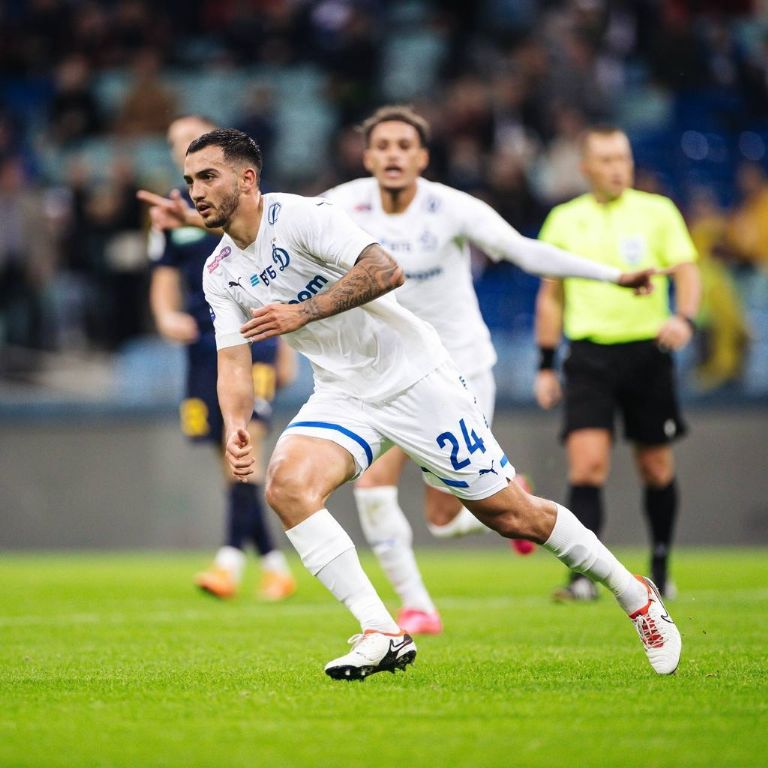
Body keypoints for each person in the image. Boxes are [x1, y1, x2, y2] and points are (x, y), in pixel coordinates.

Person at [187, 127, 681, 680]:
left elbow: (384, 271)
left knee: (511, 515)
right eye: (189, 181)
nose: (196, 191)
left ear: (247, 178)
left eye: (208, 176)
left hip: (417, 378)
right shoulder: (219, 271)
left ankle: (634, 594)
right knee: (287, 484)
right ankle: (382, 630)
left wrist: (301, 314)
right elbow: (232, 360)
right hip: (344, 392)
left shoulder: (302, 217)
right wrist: (236, 423)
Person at [322, 105, 552, 637]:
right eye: (383, 146)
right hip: (388, 371)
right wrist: (198, 217)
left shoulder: (451, 207)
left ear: (422, 157)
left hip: (457, 370)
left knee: (442, 519)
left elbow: (521, 251)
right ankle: (417, 606)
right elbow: (267, 220)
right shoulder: (341, 203)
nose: (393, 154)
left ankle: (514, 493)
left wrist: (608, 276)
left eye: (405, 145)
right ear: (367, 155)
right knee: (371, 487)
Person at [533, 125, 700, 602]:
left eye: (622, 158)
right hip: (589, 355)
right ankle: (583, 577)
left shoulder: (657, 211)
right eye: (606, 160)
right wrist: (546, 363)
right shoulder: (564, 220)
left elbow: (688, 271)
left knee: (656, 466)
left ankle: (661, 567)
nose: (617, 168)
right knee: (587, 467)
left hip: (648, 353)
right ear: (586, 168)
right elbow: (551, 296)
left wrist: (683, 318)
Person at [146, 115, 296, 601]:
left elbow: (283, 274)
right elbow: (163, 277)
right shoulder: (173, 212)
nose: (182, 147)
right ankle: (274, 563)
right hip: (203, 347)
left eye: (190, 138)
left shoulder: (242, 202)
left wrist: (287, 347)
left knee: (245, 445)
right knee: (230, 459)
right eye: (174, 142)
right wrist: (166, 316)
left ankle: (229, 560)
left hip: (258, 338)